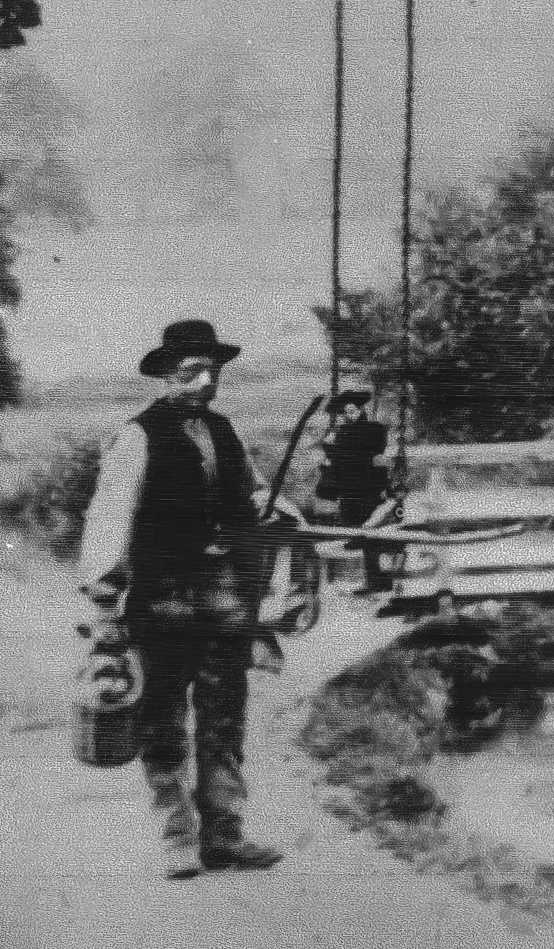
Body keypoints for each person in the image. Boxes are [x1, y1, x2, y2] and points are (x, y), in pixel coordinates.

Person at [77, 319, 285, 880]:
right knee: (163, 722)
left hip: (224, 606)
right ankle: (178, 840)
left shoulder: (225, 431)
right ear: (166, 376)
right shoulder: (138, 437)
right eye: (192, 372)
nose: (205, 382)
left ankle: (224, 837)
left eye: (212, 371)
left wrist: (278, 508)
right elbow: (108, 519)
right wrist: (103, 602)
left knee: (223, 723)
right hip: (162, 606)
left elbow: (250, 491)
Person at [315, 388, 392, 594]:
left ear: (360, 409)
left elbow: (372, 454)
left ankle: (377, 582)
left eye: (351, 410)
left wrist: (341, 453)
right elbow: (341, 459)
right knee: (355, 532)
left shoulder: (374, 429)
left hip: (368, 488)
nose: (348, 414)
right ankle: (366, 580)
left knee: (371, 534)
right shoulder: (340, 432)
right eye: (345, 411)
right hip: (349, 489)